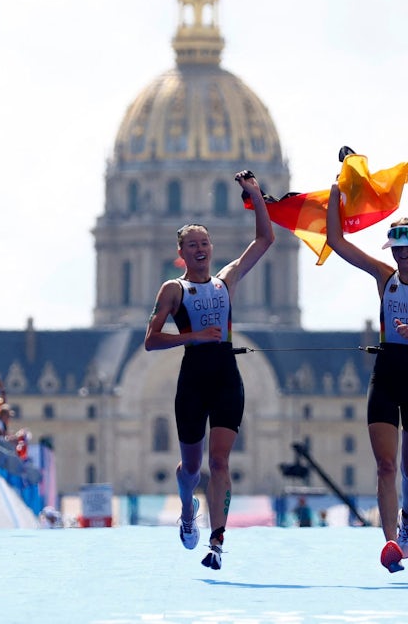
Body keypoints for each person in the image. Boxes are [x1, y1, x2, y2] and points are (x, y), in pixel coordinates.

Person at [144, 170, 274, 571]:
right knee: (190, 468)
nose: (200, 249)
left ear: (212, 248)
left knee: (219, 462)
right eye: (192, 245)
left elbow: (264, 241)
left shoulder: (226, 281)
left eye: (204, 243)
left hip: (226, 378)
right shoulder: (173, 290)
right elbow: (151, 340)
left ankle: (217, 541)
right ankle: (188, 509)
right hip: (192, 379)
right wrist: (193, 336)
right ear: (182, 252)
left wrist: (255, 196)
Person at [326, 193, 408, 573]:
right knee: (385, 466)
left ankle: (407, 521)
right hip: (384, 374)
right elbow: (337, 242)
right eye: (396, 247)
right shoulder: (385, 277)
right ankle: (389, 544)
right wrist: (337, 193)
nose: (402, 254)